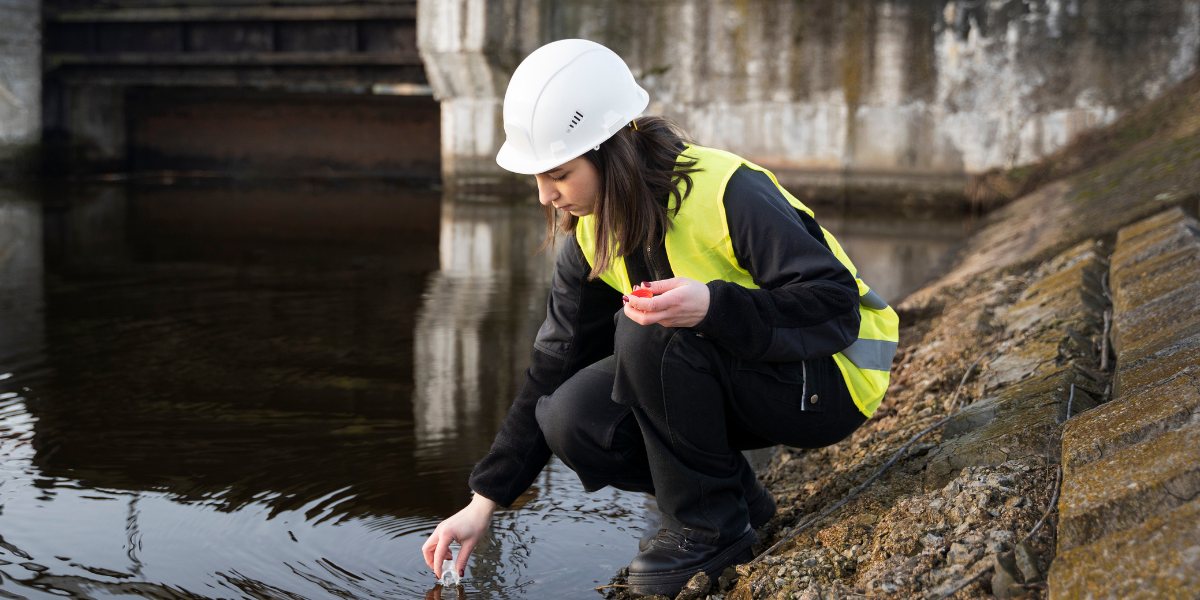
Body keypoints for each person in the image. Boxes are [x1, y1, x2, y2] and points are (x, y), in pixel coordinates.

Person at [421, 39, 898, 597]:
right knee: (569, 418)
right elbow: (551, 369)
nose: (546, 196)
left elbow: (834, 304)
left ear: (611, 150)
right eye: (538, 177)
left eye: (559, 173)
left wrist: (716, 307)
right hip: (753, 374)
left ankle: (707, 530)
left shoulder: (727, 192)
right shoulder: (590, 234)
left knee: (647, 332)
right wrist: (485, 502)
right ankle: (736, 503)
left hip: (831, 380)